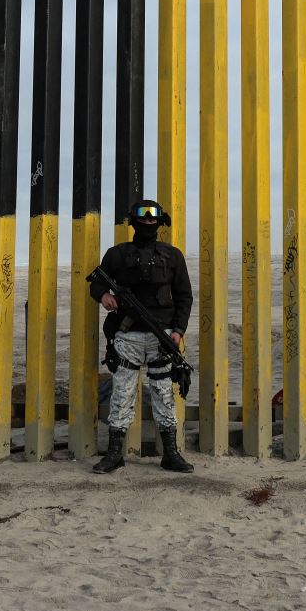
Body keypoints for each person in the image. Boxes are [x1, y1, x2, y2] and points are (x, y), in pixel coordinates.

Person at [89, 199, 194, 474]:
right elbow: (97, 282)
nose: (148, 222)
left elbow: (184, 297)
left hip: (162, 338)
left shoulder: (173, 256)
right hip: (127, 337)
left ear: (160, 222)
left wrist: (178, 331)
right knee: (121, 393)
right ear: (133, 221)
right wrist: (104, 295)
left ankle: (170, 454)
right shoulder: (117, 255)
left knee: (163, 395)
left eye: (153, 218)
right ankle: (114, 454)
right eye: (143, 217)